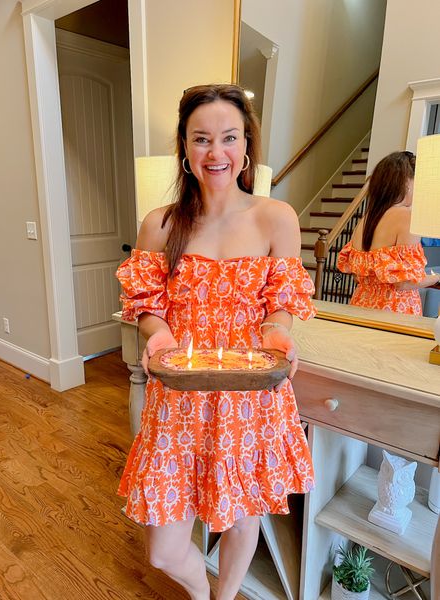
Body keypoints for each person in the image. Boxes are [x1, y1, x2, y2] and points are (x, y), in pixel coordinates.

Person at [116, 83, 316, 600]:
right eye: (201, 139)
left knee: (243, 515)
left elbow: (281, 304)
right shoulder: (159, 225)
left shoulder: (277, 218)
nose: (216, 152)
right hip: (179, 399)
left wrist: (277, 332)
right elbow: (147, 306)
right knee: (162, 549)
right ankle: (202, 592)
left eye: (228, 137)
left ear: (246, 145)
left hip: (249, 398)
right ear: (184, 147)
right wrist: (157, 333)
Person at [338, 151, 440, 315]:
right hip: (393, 311)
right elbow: (404, 283)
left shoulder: (365, 219)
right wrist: (436, 277)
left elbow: (358, 276)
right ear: (407, 183)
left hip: (360, 307)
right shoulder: (407, 217)